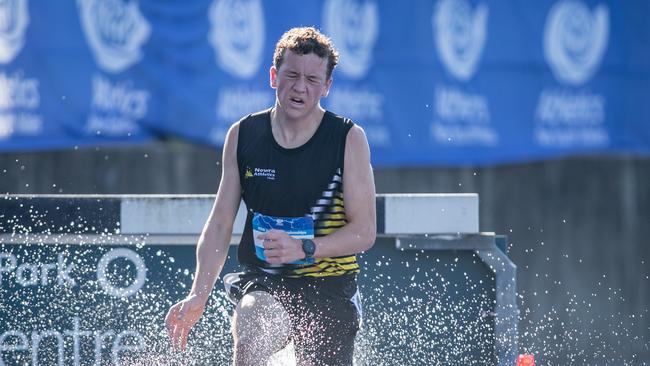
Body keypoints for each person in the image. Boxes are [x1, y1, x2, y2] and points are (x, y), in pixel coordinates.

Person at [165, 27, 376, 365]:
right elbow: (220, 224)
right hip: (266, 282)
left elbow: (364, 232)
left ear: (327, 87)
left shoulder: (348, 138)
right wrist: (197, 294)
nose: (300, 87)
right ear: (274, 76)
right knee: (251, 338)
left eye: (311, 79)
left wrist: (306, 247)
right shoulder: (243, 134)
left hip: (329, 285)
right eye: (291, 75)